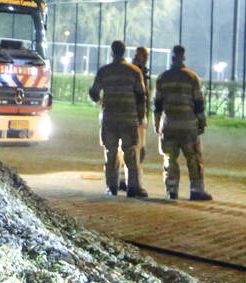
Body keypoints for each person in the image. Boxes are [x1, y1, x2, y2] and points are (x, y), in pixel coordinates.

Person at [89, 40, 148, 197]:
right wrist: (141, 117)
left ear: (111, 52)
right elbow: (141, 97)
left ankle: (111, 187)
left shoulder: (104, 71)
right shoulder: (135, 71)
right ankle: (133, 187)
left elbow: (93, 92)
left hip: (109, 118)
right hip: (129, 118)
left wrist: (101, 102)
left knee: (111, 153)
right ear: (124, 52)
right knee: (130, 152)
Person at [154, 45, 211, 201]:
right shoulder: (192, 78)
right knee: (193, 158)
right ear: (183, 57)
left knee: (169, 159)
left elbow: (157, 105)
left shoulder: (162, 78)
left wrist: (157, 124)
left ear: (172, 58)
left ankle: (172, 190)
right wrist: (201, 122)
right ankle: (196, 190)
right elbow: (199, 103)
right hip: (188, 126)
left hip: (169, 125)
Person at [132, 46, 151, 170]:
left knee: (139, 147)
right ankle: (127, 177)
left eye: (146, 55)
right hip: (133, 115)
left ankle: (129, 175)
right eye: (143, 55)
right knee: (133, 147)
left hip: (140, 115)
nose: (145, 58)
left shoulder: (143, 72)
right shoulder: (135, 72)